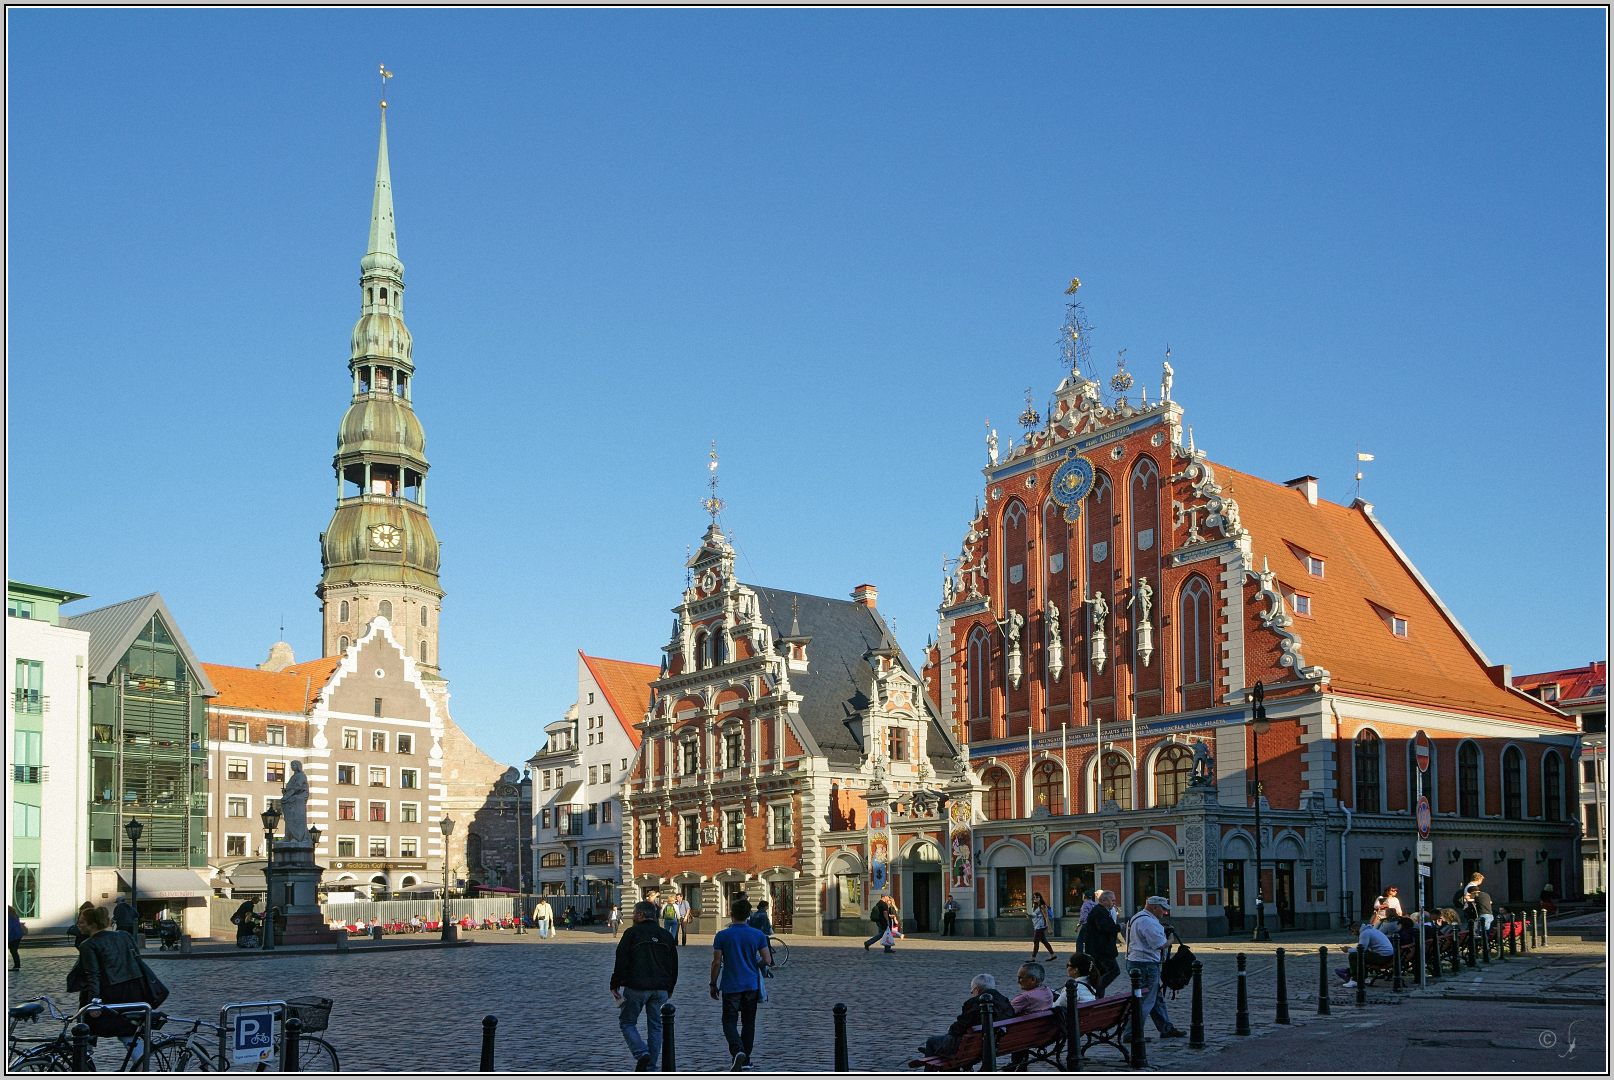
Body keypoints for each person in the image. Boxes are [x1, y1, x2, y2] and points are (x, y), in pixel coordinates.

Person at [70, 906, 156, 1065]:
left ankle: (82, 1065)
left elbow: (93, 975)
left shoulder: (88, 944)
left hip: (107, 993)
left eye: (81, 922)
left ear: (92, 925)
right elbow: (136, 961)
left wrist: (94, 1002)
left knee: (84, 1031)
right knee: (127, 1032)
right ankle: (143, 1067)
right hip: (131, 992)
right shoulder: (124, 935)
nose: (78, 925)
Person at [611, 900, 679, 1071]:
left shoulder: (632, 933)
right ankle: (651, 1067)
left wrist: (615, 983)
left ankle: (642, 1053)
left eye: (634, 913)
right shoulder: (665, 935)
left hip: (636, 987)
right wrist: (670, 987)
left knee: (627, 1022)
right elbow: (674, 963)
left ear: (641, 914)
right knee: (656, 1027)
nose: (633, 916)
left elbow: (621, 959)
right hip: (661, 989)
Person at [711, 896, 772, 1071]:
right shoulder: (757, 934)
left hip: (731, 985)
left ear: (731, 915)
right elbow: (767, 960)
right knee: (748, 1023)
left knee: (729, 1022)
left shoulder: (722, 935)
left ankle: (737, 1049)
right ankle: (746, 1060)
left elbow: (716, 963)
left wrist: (712, 984)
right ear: (748, 915)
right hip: (751, 985)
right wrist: (755, 964)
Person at [1127, 896, 1185, 1039]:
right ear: (1154, 907)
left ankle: (1166, 1028)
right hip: (1145, 964)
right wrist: (1170, 939)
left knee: (1155, 998)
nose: (1164, 912)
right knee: (1145, 1000)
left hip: (1137, 962)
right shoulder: (1147, 921)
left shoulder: (1138, 917)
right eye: (1163, 909)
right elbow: (1159, 944)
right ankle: (1132, 1033)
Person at [917, 974, 1016, 1059]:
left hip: (973, 1045)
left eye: (972, 991)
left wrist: (950, 1030)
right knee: (946, 1039)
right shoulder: (1005, 1001)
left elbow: (960, 1027)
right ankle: (938, 1052)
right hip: (993, 1042)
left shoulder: (976, 1002)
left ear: (977, 990)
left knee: (931, 1042)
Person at [1083, 891, 1122, 995]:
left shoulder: (1101, 910)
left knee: (1100, 973)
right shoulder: (1099, 911)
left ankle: (1097, 995)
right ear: (1104, 900)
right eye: (1112, 900)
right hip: (1102, 949)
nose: (1114, 903)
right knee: (1113, 970)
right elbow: (1103, 927)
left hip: (1099, 948)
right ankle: (1097, 990)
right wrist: (1119, 927)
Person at [1337, 920, 1396, 988]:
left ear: (1357, 928)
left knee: (1353, 956)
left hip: (1383, 957)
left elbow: (1361, 949)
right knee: (1362, 955)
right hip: (1387, 955)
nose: (1353, 933)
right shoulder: (1372, 930)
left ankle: (1356, 980)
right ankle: (1363, 978)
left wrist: (1348, 950)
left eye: (1353, 931)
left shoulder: (1365, 933)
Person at [1028, 893, 1056, 962]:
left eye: (1037, 897)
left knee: (1036, 941)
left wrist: (1049, 928)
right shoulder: (1035, 906)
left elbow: (1046, 917)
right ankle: (1052, 954)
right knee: (1043, 940)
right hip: (1036, 925)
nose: (1035, 898)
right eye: (1034, 897)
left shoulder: (1042, 906)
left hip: (1041, 926)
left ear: (1040, 898)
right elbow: (1036, 915)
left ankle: (1033, 957)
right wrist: (1030, 916)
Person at [9, 904, 25, 970]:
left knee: (13, 951)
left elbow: (8, 928)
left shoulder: (8, 917)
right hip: (18, 936)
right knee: (14, 951)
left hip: (11, 936)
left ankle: (16, 966)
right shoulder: (15, 916)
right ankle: (17, 965)